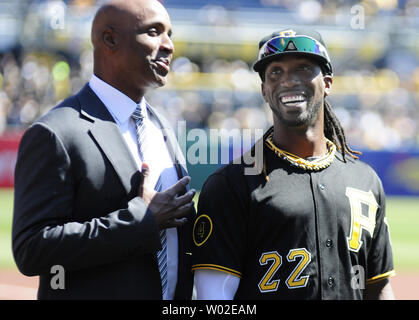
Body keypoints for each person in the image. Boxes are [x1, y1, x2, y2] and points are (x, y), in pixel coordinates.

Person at [191, 28, 395, 300]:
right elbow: (213, 298)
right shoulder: (231, 184)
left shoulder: (365, 180)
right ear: (264, 90)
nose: (288, 81)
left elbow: (378, 287)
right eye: (275, 72)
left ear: (327, 82)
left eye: (303, 68)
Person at [12, 0, 196, 300]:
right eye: (154, 32)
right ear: (110, 39)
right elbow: (31, 249)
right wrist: (139, 222)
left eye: (170, 34)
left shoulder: (160, 125)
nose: (168, 45)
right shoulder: (56, 131)